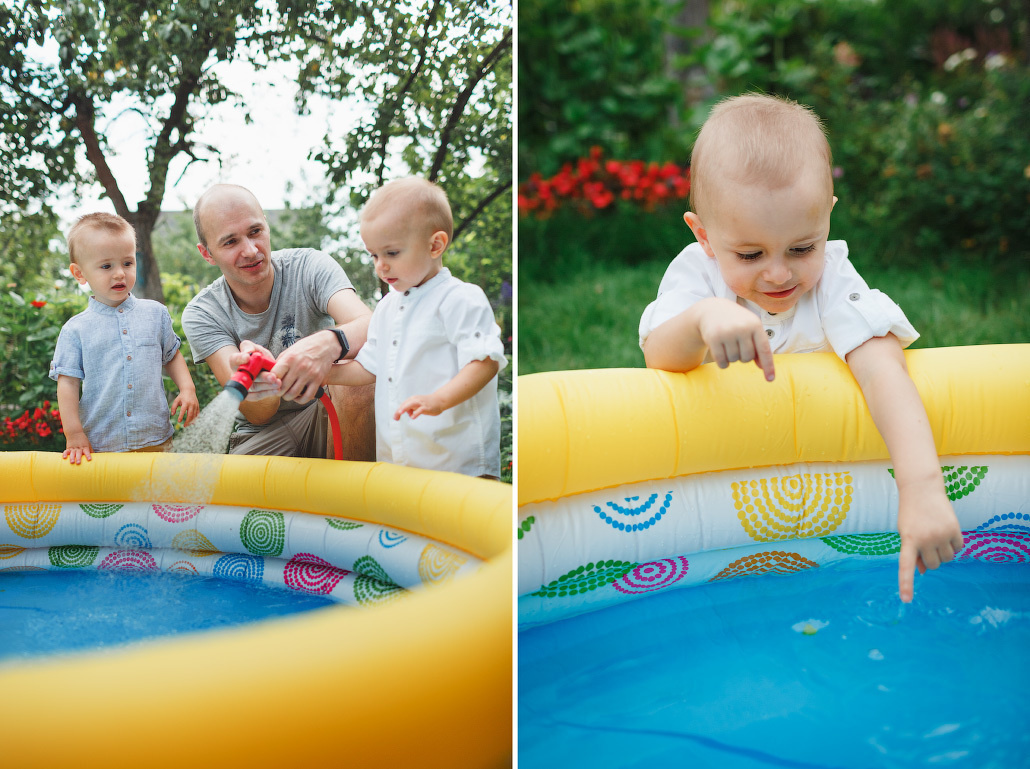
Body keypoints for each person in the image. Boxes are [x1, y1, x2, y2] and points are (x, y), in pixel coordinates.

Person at [639, 93, 963, 603]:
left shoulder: (832, 278)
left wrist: (922, 489)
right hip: (721, 487)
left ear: (827, 218)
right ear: (703, 235)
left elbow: (883, 372)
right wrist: (702, 319)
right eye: (750, 254)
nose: (778, 273)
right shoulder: (698, 275)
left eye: (802, 247)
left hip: (823, 492)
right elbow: (659, 356)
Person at [325, 177, 507, 478]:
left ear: (435, 245)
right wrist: (324, 372)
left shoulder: (460, 298)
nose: (380, 266)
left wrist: (439, 400)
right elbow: (369, 367)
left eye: (391, 253)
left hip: (458, 463)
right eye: (374, 255)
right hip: (401, 462)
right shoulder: (386, 308)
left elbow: (485, 361)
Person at [181, 184, 375, 459]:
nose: (251, 250)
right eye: (231, 242)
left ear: (266, 226)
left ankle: (354, 487)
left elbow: (371, 327)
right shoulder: (203, 313)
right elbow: (257, 414)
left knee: (361, 383)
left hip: (328, 411)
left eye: (255, 232)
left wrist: (329, 342)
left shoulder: (310, 266)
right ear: (207, 253)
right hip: (261, 432)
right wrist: (265, 382)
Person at [49, 212, 199, 464]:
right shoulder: (75, 330)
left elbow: (171, 356)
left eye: (127, 263)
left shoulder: (155, 314)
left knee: (158, 489)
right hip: (101, 445)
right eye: (106, 266)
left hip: (155, 439)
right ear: (79, 273)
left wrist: (187, 388)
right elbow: (68, 385)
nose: (120, 273)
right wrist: (74, 434)